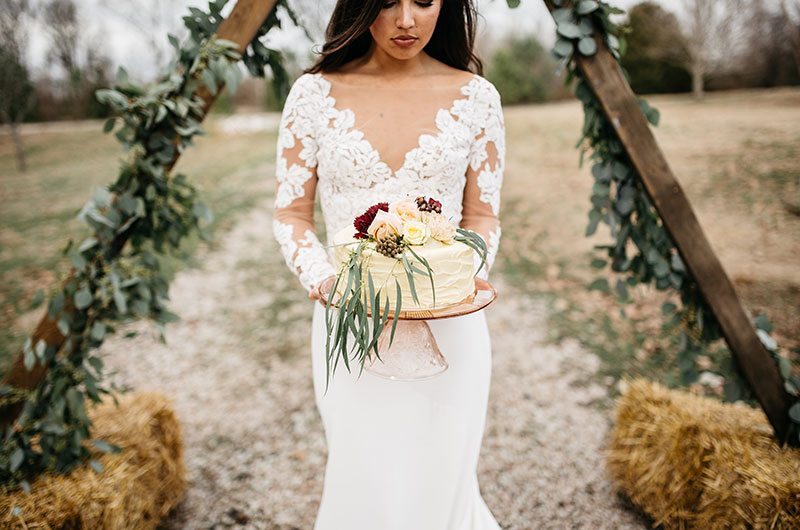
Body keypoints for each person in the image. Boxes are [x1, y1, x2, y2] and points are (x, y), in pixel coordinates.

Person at [271, 0, 505, 528]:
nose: (406, 19)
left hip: (452, 327)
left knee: (442, 477)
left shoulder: (476, 99)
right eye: (386, 1)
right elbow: (290, 214)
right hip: (352, 322)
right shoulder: (313, 96)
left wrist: (457, 277)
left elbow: (483, 216)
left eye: (423, 0)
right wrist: (325, 280)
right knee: (365, 478)